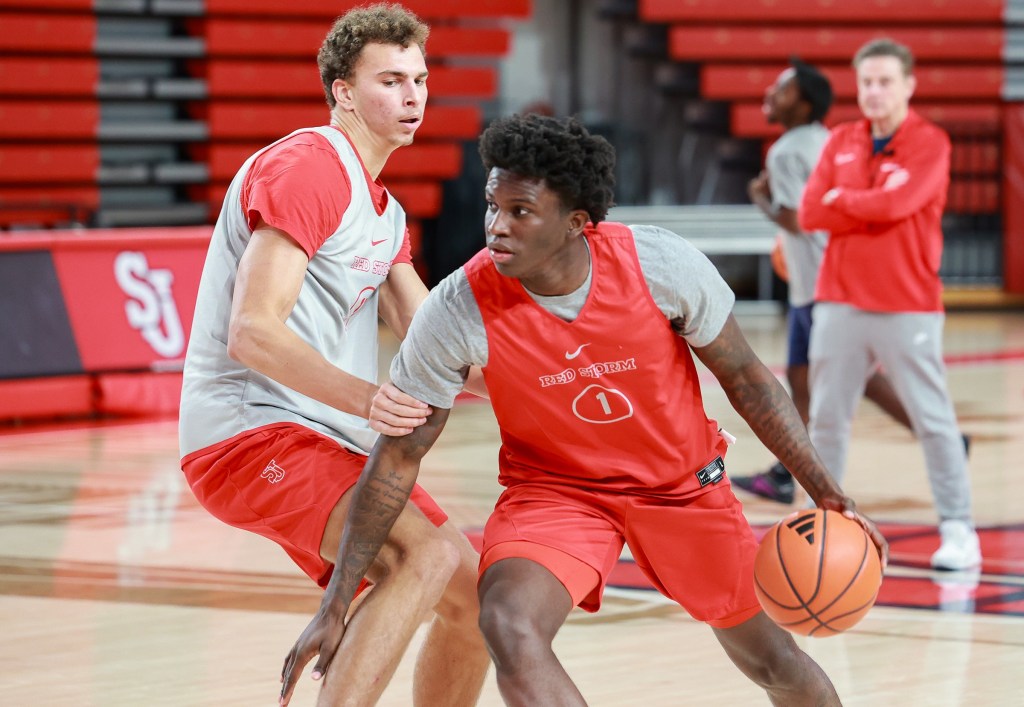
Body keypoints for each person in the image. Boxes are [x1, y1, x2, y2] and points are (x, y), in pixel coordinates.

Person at [282, 113, 889, 706]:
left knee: (772, 661)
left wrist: (825, 490)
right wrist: (335, 602)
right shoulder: (458, 308)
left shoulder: (659, 266)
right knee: (507, 621)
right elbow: (398, 456)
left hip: (682, 488)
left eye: (520, 212)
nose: (497, 226)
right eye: (493, 206)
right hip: (558, 493)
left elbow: (748, 378)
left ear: (576, 222)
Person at [177, 5, 489, 706]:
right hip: (248, 433)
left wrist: (562, 391)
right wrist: (367, 399)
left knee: (479, 600)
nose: (412, 96)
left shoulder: (385, 211)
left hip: (324, 438)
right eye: (390, 80)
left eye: (420, 79)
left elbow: (439, 339)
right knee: (424, 554)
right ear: (343, 90)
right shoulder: (310, 166)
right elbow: (252, 329)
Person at [799, 38, 981, 570]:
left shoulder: (931, 142)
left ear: (908, 85)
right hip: (838, 300)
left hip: (908, 303)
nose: (874, 92)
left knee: (934, 419)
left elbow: (899, 202)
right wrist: (864, 207)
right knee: (827, 419)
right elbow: (811, 211)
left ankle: (958, 527)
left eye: (885, 81)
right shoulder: (840, 140)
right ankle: (822, 527)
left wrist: (847, 202)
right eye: (867, 83)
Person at [733, 57, 916, 505]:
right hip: (830, 279)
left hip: (817, 285)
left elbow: (796, 219)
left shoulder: (786, 151)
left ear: (805, 102)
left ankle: (938, 435)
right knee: (803, 379)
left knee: (847, 377)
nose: (770, 95)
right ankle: (785, 471)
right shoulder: (831, 141)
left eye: (783, 89)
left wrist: (760, 199)